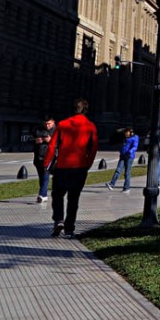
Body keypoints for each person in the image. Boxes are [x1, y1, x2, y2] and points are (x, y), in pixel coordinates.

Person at [44, 98, 98, 238]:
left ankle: (58, 220)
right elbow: (93, 148)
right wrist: (88, 163)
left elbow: (52, 146)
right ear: (85, 110)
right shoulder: (90, 126)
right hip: (80, 167)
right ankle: (69, 228)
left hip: (63, 166)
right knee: (74, 198)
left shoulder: (62, 124)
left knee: (57, 195)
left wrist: (47, 163)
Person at [107, 126, 138, 191]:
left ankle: (126, 187)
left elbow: (135, 147)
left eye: (127, 132)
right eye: (125, 132)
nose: (125, 133)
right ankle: (112, 184)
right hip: (123, 156)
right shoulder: (125, 138)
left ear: (131, 132)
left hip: (129, 157)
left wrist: (130, 152)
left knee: (127, 172)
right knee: (118, 170)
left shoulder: (135, 138)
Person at [33, 116, 56, 203]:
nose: (47, 126)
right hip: (38, 157)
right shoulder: (38, 130)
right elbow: (28, 139)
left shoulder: (58, 131)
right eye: (45, 124)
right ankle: (44, 195)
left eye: (49, 124)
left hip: (51, 157)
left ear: (53, 122)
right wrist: (35, 140)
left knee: (46, 174)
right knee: (41, 177)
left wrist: (51, 140)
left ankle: (41, 194)